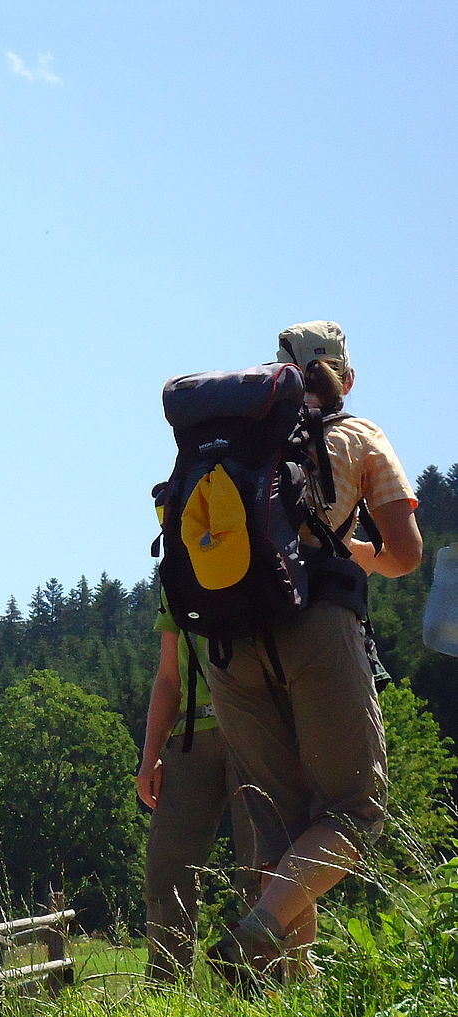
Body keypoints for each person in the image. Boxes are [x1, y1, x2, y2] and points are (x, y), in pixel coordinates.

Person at [205, 321, 422, 982]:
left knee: (277, 824)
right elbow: (405, 555)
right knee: (351, 813)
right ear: (343, 377)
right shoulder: (358, 435)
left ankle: (291, 994)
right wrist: (346, 549)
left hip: (228, 640)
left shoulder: (232, 445)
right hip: (316, 627)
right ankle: (256, 931)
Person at [137, 591, 259, 983]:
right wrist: (150, 756)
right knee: (166, 869)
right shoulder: (176, 575)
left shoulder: (261, 551)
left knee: (260, 865)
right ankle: (166, 993)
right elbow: (169, 677)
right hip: (193, 732)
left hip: (258, 726)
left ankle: (263, 986)